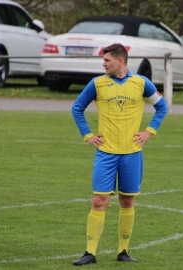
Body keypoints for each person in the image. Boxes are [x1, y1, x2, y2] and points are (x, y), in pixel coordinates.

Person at [71, 43, 168, 266]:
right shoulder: (97, 84)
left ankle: (123, 251)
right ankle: (90, 252)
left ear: (120, 61)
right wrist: (88, 135)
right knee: (99, 200)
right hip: (106, 153)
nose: (103, 64)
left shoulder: (141, 83)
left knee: (127, 200)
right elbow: (77, 108)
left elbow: (162, 106)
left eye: (107, 60)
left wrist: (148, 132)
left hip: (132, 154)